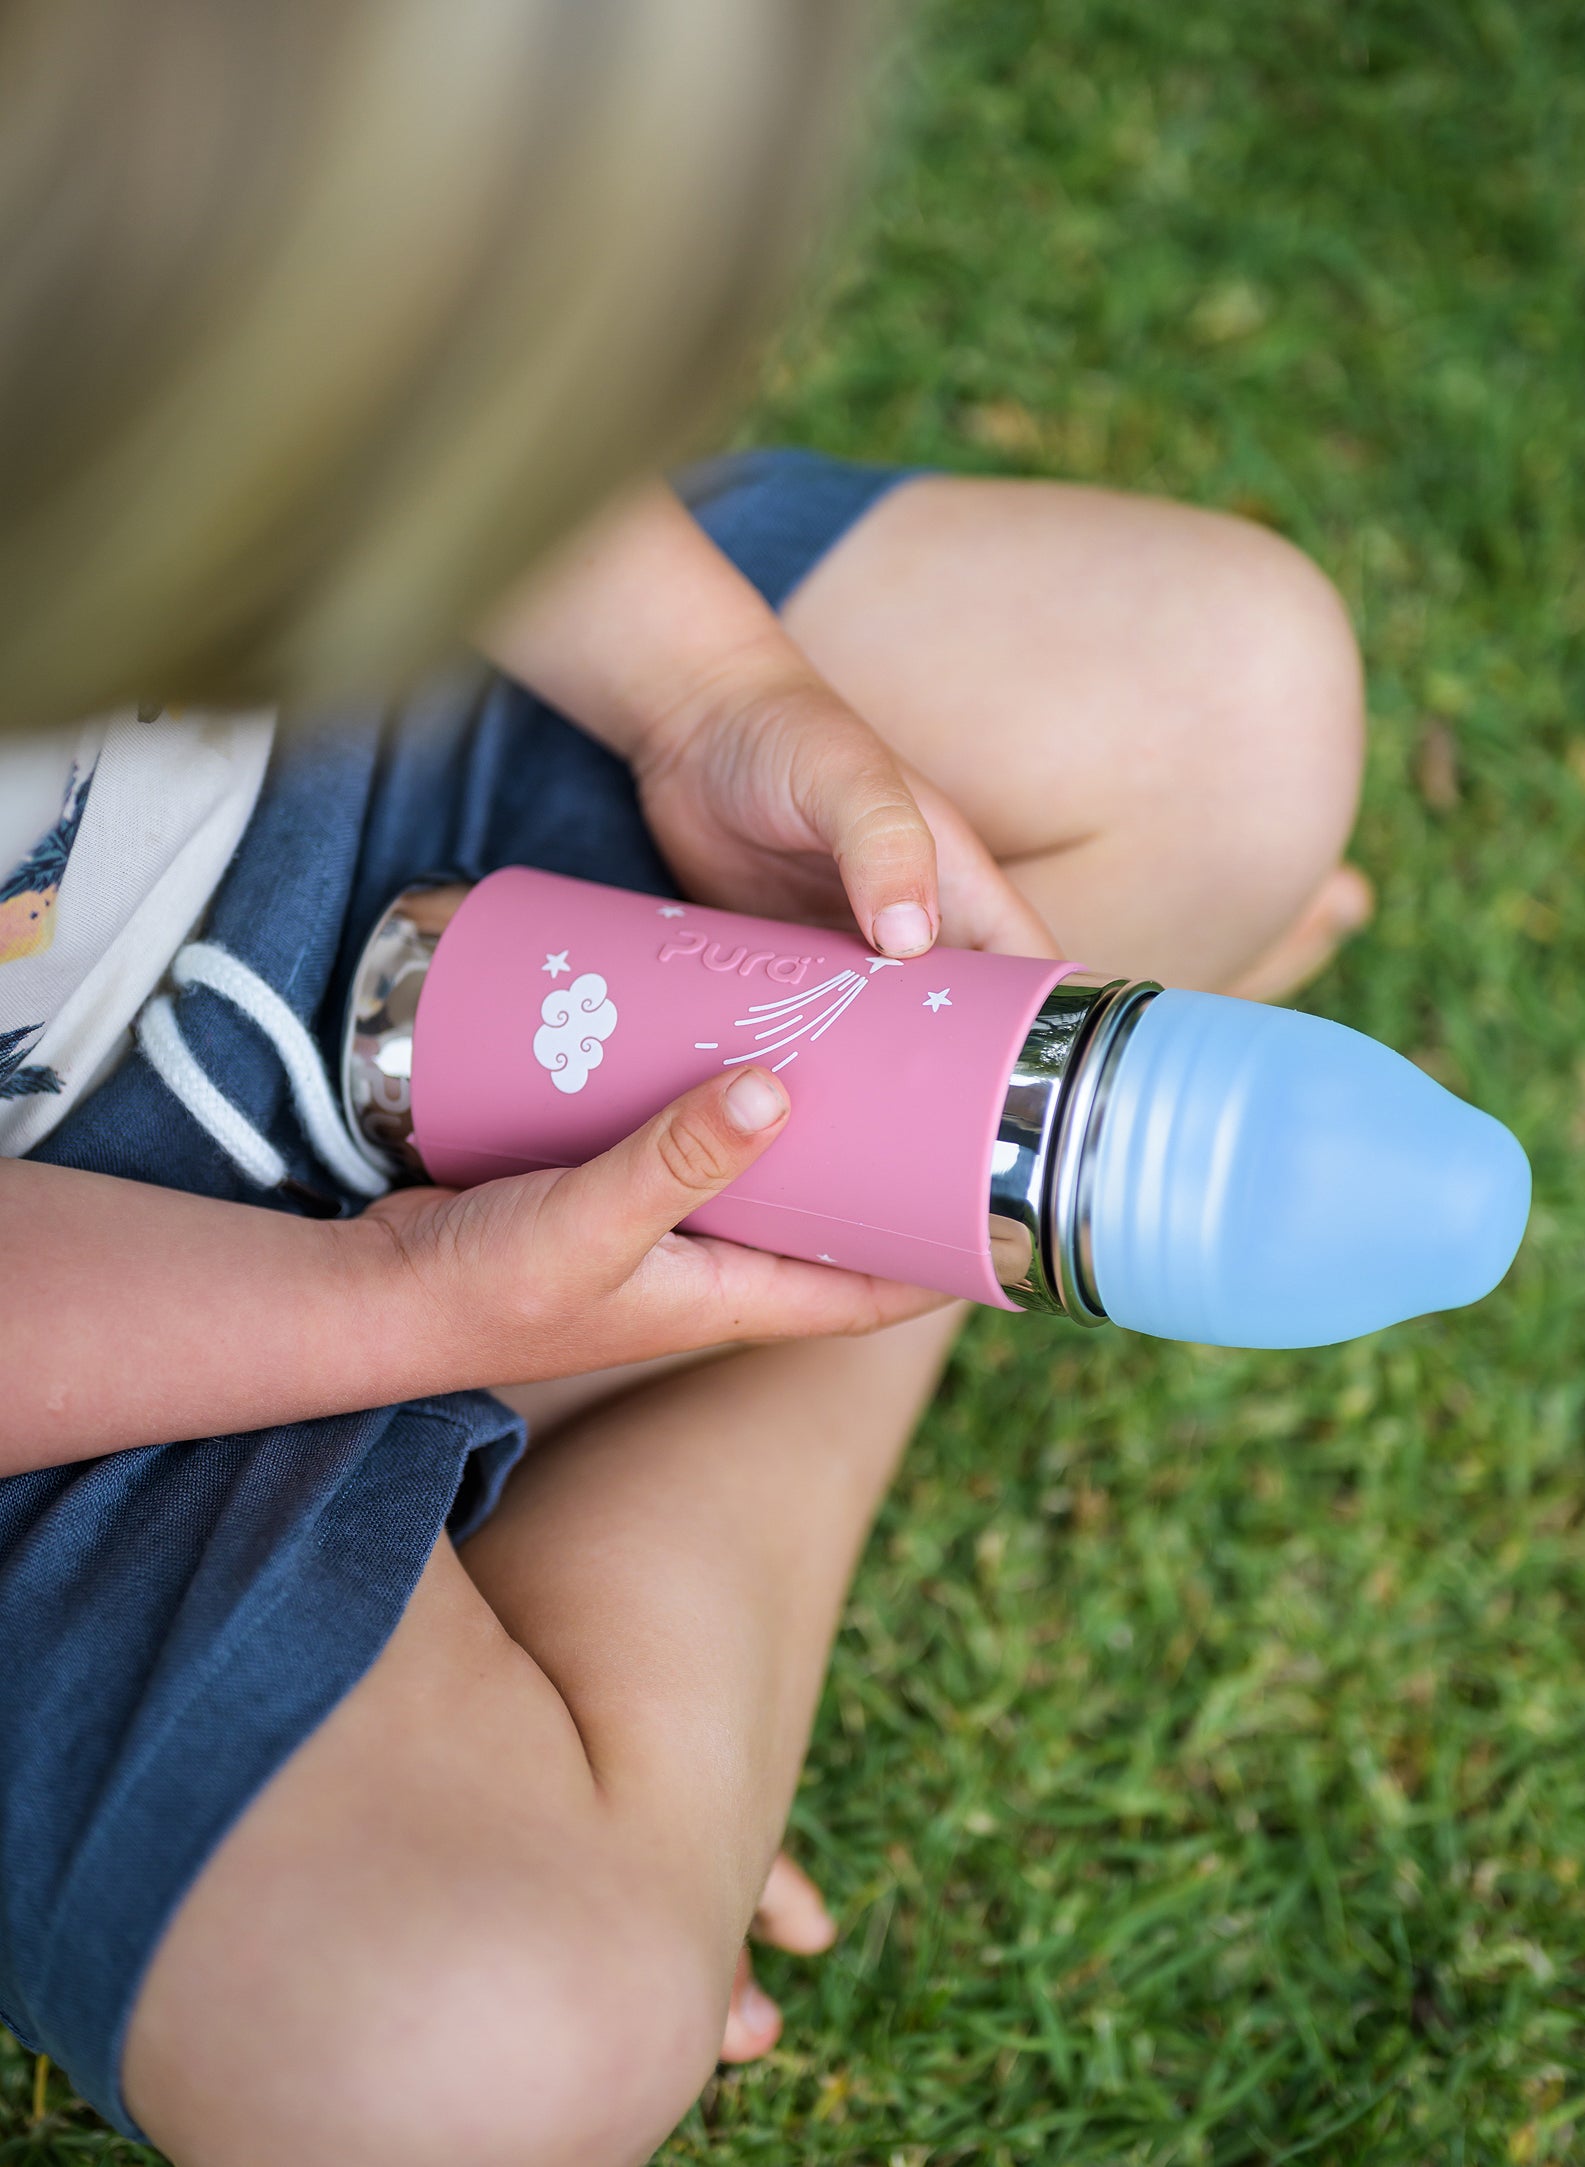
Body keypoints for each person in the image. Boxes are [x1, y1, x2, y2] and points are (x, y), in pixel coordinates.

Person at [0, 5, 1370, 2161]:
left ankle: (741, 1300)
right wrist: (398, 1311)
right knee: (466, 2065)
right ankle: (875, 1297)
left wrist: (706, 693)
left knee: (1230, 706)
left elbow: (378, 364)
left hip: (328, 781)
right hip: (59, 1365)